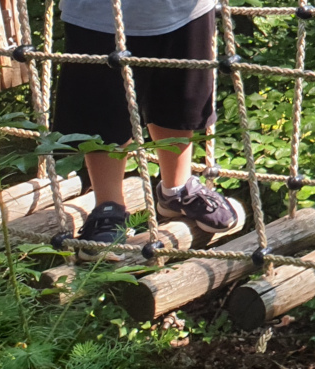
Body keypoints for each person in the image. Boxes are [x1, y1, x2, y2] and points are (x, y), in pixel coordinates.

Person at [54, 0, 242, 258]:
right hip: (101, 14)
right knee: (103, 108)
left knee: (182, 98)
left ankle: (178, 190)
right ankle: (108, 207)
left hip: (185, 9)